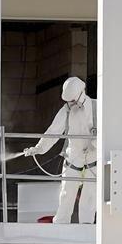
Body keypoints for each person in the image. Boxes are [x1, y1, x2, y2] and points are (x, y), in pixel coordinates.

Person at [23, 77, 98, 224]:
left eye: (71, 100)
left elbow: (109, 131)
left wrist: (96, 142)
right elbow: (54, 131)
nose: (69, 104)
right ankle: (61, 223)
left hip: (93, 157)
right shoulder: (66, 111)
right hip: (73, 157)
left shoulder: (97, 107)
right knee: (66, 193)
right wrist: (39, 148)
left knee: (90, 195)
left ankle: (87, 226)